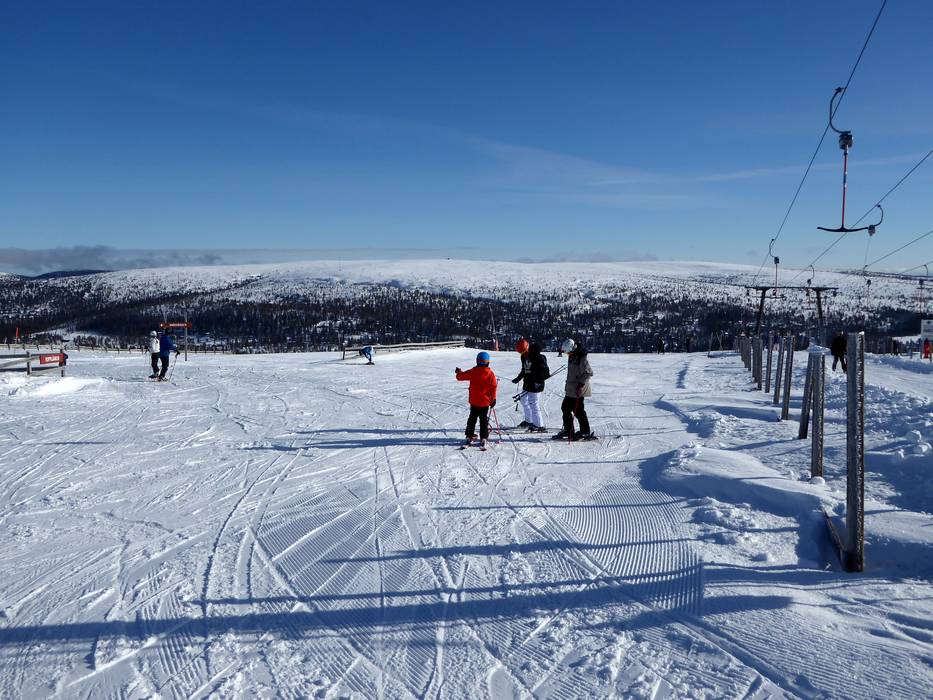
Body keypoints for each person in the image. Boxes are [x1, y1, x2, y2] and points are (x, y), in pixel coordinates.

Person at [553, 338, 594, 441]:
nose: (567, 354)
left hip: (578, 389)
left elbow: (588, 373)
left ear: (572, 348)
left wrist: (580, 384)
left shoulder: (581, 357)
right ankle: (569, 431)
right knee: (566, 408)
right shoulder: (572, 355)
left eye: (568, 352)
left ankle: (585, 432)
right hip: (571, 389)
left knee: (578, 411)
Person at [455, 351, 498, 449]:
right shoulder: (490, 374)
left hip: (474, 402)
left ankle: (469, 436)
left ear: (477, 361)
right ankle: (484, 437)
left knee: (472, 419)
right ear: (488, 362)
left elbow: (460, 377)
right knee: (483, 420)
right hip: (485, 402)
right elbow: (493, 387)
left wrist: (458, 373)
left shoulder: (473, 371)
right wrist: (493, 399)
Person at [512, 339, 550, 432]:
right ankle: (529, 421)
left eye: (524, 352)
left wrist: (539, 380)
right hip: (528, 383)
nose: (523, 354)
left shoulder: (539, 357)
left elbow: (546, 373)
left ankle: (539, 425)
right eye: (521, 353)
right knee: (523, 400)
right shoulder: (523, 357)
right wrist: (518, 378)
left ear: (527, 348)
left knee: (533, 403)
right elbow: (524, 369)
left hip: (536, 384)